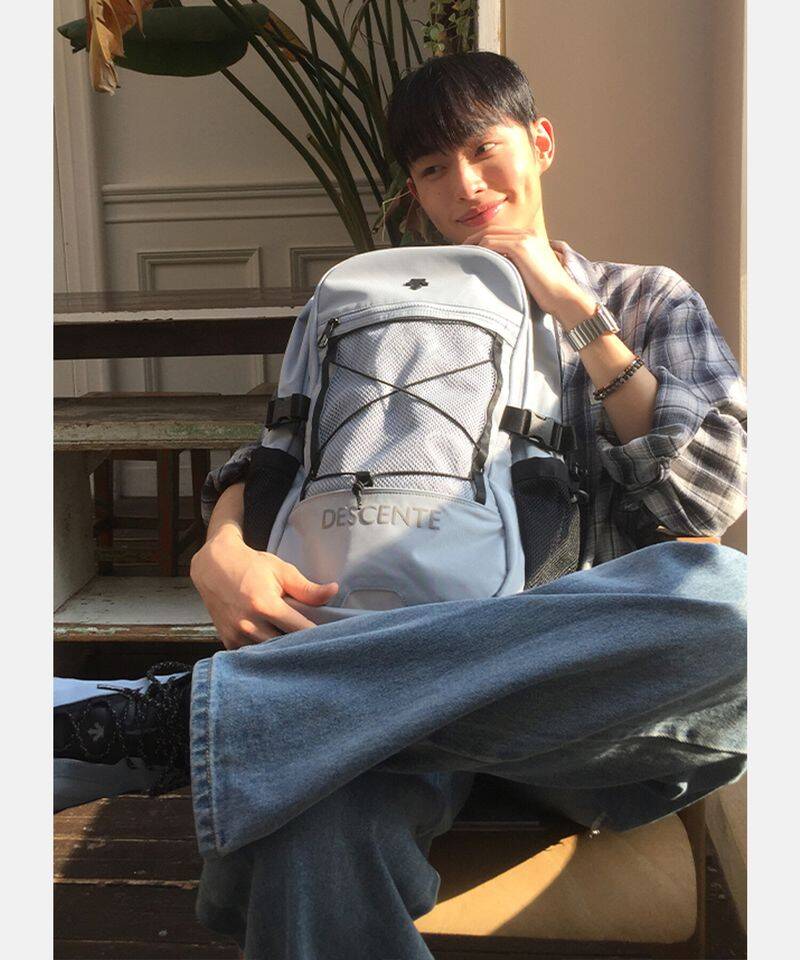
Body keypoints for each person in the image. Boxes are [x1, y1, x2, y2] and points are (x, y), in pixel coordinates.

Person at [54, 52, 747, 959]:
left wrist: (575, 311)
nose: (465, 185)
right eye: (431, 167)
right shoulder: (368, 305)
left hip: (577, 721)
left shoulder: (645, 298)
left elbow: (706, 496)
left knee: (741, 605)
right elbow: (278, 456)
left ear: (540, 142)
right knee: (313, 826)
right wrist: (219, 547)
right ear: (412, 190)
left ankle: (198, 718)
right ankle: (269, 717)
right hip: (372, 708)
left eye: (484, 149)